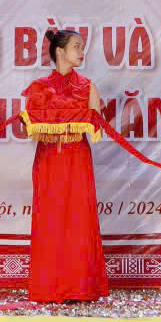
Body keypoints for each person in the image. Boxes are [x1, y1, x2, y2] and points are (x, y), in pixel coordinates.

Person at [22, 29, 108, 304]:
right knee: (50, 219)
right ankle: (48, 288)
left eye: (82, 47)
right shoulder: (37, 88)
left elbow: (95, 123)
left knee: (78, 220)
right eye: (76, 47)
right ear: (60, 51)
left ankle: (79, 287)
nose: (82, 52)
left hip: (77, 158)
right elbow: (31, 125)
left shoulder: (88, 86)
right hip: (49, 159)